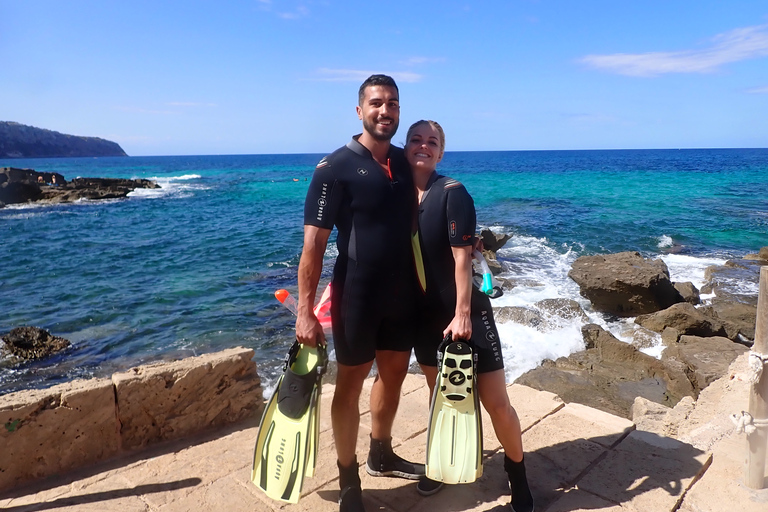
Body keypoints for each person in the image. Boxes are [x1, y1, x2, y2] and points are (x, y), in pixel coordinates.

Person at [296, 75, 423, 512]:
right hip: (357, 296)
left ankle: (381, 452)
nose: (384, 111)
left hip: (401, 294)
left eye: (392, 104)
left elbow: (427, 213)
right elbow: (312, 245)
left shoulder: (407, 163)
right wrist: (306, 312)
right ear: (359, 111)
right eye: (376, 103)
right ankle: (348, 476)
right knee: (348, 386)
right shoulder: (334, 169)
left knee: (394, 376)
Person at [406, 120, 534, 512]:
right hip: (424, 317)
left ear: (441, 152)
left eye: (433, 142)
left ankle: (518, 474)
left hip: (466, 313)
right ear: (405, 147)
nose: (424, 146)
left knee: (495, 401)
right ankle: (445, 462)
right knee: (440, 397)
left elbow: (463, 258)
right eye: (416, 140)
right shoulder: (395, 197)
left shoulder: (452, 193)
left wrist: (462, 314)